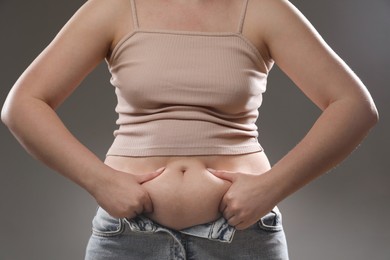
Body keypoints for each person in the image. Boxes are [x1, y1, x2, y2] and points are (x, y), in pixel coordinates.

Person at [1, 0, 378, 259]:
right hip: (129, 240)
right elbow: (23, 105)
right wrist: (99, 181)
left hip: (241, 240)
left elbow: (353, 107)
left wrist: (271, 187)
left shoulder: (263, 9)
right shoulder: (115, 8)